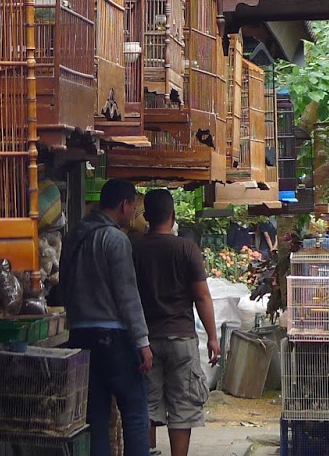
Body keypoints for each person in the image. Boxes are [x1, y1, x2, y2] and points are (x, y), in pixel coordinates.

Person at [62, 179, 152, 456]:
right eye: (133, 206)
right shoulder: (115, 239)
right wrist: (142, 341)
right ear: (124, 205)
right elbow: (127, 295)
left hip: (80, 335)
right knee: (134, 410)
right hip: (113, 337)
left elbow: (62, 283)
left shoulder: (74, 236)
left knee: (95, 415)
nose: (133, 213)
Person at [130, 189, 219, 456]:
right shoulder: (186, 249)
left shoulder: (134, 248)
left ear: (146, 216)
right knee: (182, 407)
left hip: (145, 340)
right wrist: (212, 337)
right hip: (181, 339)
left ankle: (146, 452)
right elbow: (202, 296)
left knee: (147, 404)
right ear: (173, 215)